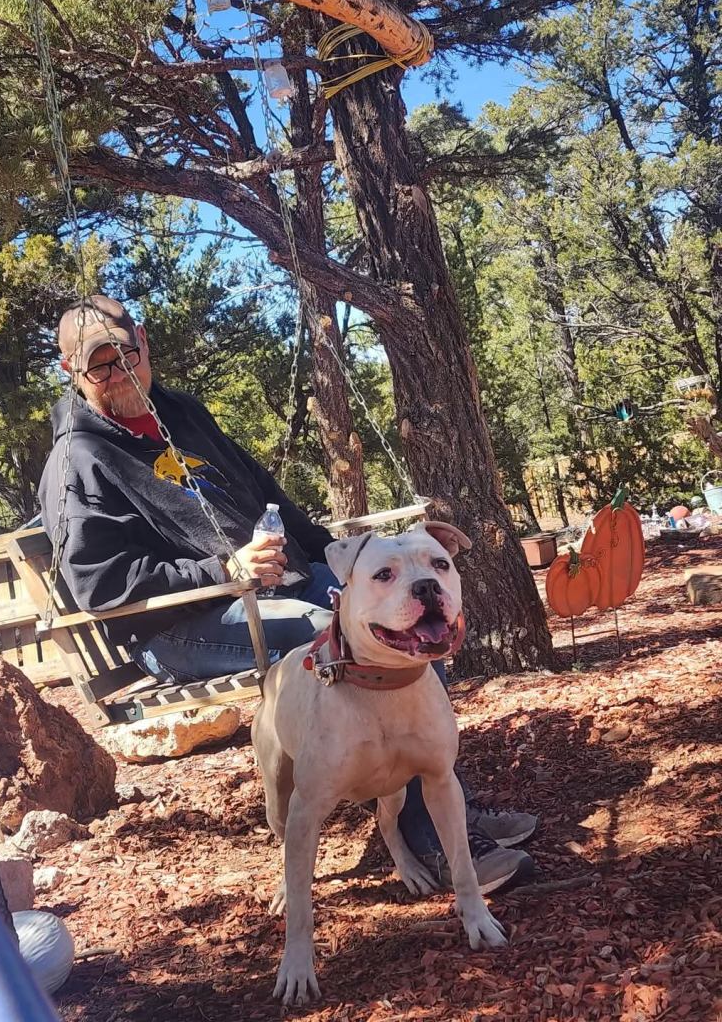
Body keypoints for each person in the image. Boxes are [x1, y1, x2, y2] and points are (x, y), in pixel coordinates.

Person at [39, 295, 538, 893]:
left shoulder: (181, 412)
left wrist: (345, 571)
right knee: (332, 637)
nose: (117, 371)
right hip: (179, 626)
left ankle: (448, 800)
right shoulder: (79, 458)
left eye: (124, 354)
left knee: (395, 619)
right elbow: (96, 583)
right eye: (97, 365)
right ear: (70, 370)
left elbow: (266, 492)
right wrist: (223, 569)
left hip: (274, 588)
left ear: (143, 342)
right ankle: (430, 840)